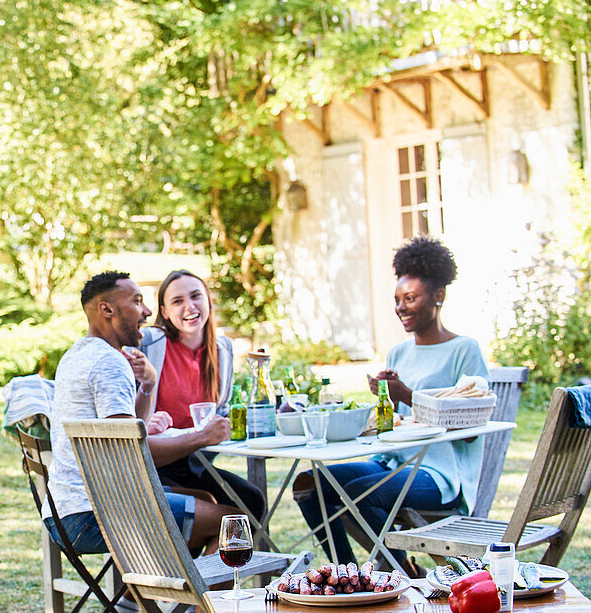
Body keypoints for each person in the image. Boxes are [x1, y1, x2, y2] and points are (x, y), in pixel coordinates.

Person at [45, 271, 232, 613]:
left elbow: (127, 433)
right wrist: (202, 436)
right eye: (138, 302)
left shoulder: (77, 355)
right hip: (101, 516)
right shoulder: (110, 364)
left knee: (200, 497)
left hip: (65, 514)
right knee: (231, 521)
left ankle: (138, 607)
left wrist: (146, 387)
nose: (148, 313)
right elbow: (131, 455)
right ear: (107, 309)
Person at [292, 236, 488, 572]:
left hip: (440, 476)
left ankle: (396, 567)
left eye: (410, 298)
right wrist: (384, 400)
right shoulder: (399, 352)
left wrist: (407, 395)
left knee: (359, 492)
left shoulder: (464, 350)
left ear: (438, 297)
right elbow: (395, 426)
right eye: (397, 299)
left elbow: (471, 432)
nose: (401, 307)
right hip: (390, 463)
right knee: (309, 484)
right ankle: (347, 574)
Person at [139, 269, 268, 522]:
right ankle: (187, 562)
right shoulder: (149, 343)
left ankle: (221, 563)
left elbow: (220, 410)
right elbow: (128, 410)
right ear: (164, 312)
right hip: (156, 463)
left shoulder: (222, 349)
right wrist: (146, 418)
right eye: (177, 301)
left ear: (208, 300)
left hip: (197, 461)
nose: (189, 306)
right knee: (209, 509)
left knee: (250, 500)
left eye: (196, 296)